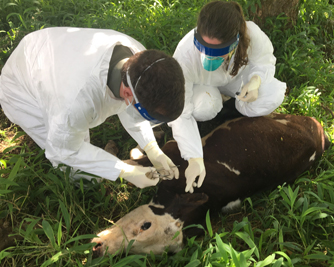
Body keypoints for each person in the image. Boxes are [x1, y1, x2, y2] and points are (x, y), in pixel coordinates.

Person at [0, 27, 185, 188]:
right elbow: (65, 149)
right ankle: (84, 183)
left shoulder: (144, 64)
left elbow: (132, 108)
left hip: (53, 51)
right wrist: (125, 172)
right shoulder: (73, 104)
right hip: (21, 86)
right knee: (74, 168)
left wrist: (152, 148)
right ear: (128, 94)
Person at [169, 1, 287, 193]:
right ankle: (217, 106)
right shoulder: (185, 54)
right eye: (203, 47)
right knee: (205, 106)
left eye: (216, 51)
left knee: (271, 95)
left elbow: (264, 60)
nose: (207, 55)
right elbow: (180, 110)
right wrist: (194, 157)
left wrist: (256, 80)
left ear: (235, 41)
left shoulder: (251, 34)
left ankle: (232, 107)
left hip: (237, 82)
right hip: (204, 86)